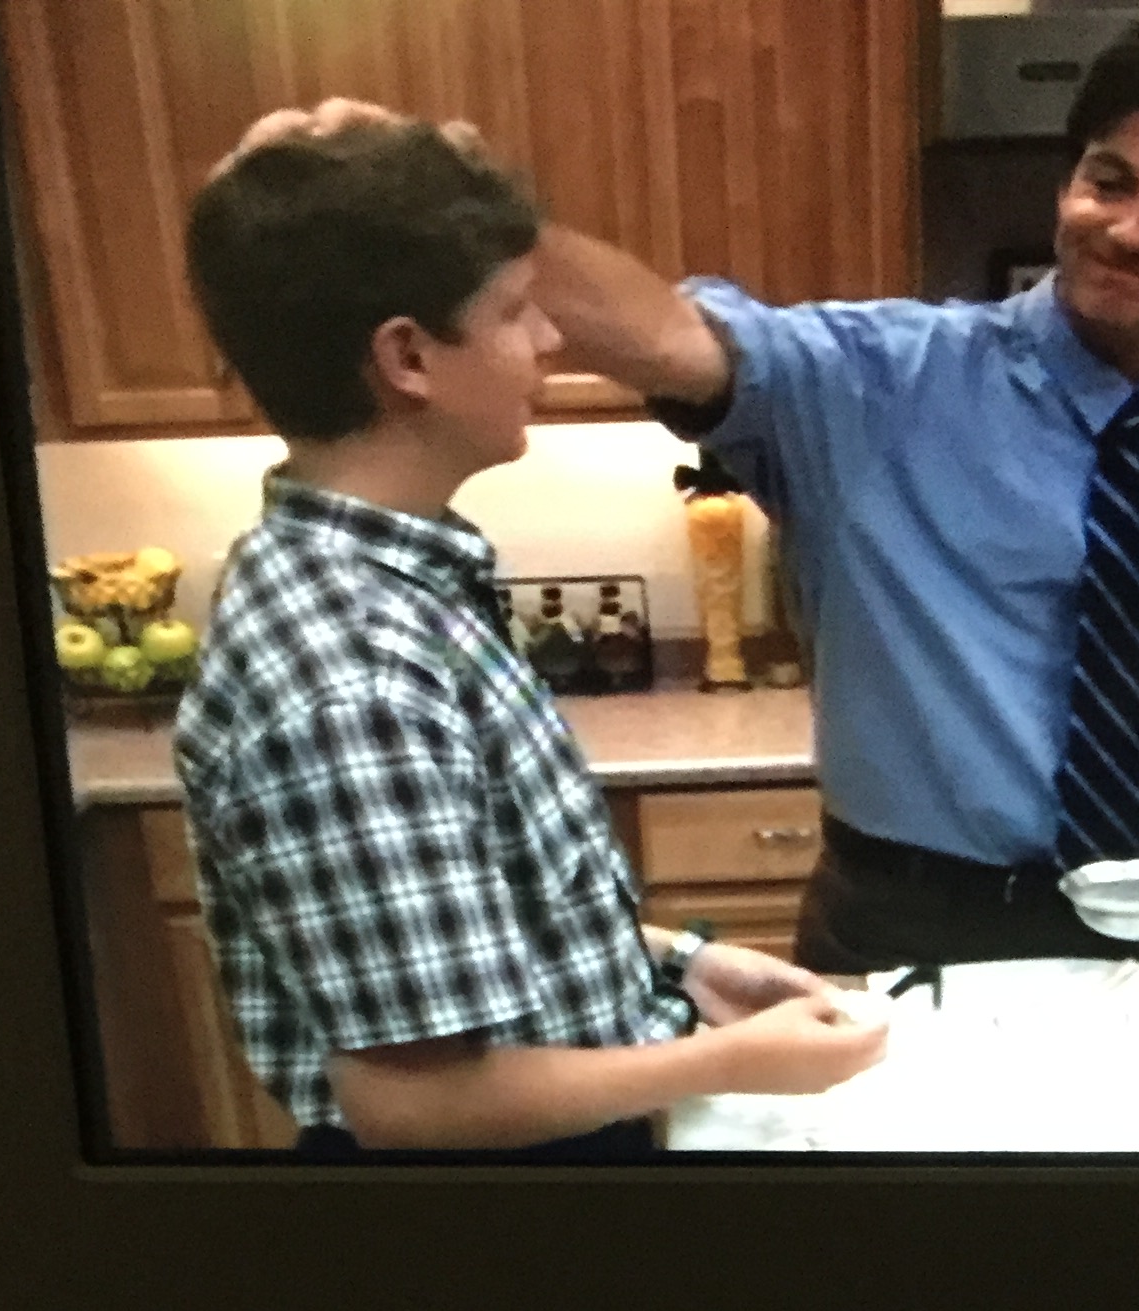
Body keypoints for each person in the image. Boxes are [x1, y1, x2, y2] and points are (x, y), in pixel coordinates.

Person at [248, 4, 1139, 973]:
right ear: (1068, 183)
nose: (1132, 229)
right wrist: (454, 213)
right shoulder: (872, 385)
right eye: (1109, 181)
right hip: (909, 929)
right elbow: (674, 340)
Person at [174, 119, 886, 1156]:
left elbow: (481, 929)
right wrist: (734, 1061)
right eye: (513, 311)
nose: (550, 339)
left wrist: (682, 964)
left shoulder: (394, 589)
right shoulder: (356, 676)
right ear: (408, 357)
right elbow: (415, 1102)